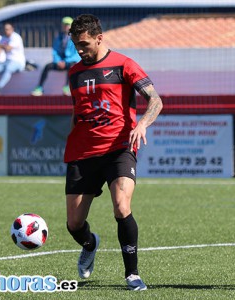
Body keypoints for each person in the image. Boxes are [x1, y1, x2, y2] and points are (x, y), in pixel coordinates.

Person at [64, 14, 163, 291]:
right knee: (74, 223)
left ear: (99, 37)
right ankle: (90, 242)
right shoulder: (74, 73)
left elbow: (155, 100)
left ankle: (132, 274)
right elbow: (77, 112)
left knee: (121, 206)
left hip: (119, 148)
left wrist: (141, 124)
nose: (80, 50)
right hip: (82, 152)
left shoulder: (124, 65)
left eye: (84, 44)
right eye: (75, 45)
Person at [31, 16, 80, 97]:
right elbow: (55, 51)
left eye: (68, 25)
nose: (66, 27)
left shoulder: (76, 38)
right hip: (60, 62)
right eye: (64, 25)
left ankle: (67, 87)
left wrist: (66, 61)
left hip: (70, 62)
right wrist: (57, 61)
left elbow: (77, 53)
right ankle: (39, 88)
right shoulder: (58, 38)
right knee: (47, 66)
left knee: (72, 66)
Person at [0, 22, 26, 95]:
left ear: (12, 29)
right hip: (7, 61)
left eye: (8, 29)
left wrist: (0, 45)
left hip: (17, 61)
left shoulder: (16, 37)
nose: (6, 31)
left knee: (8, 68)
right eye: (5, 29)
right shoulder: (3, 38)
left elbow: (8, 48)